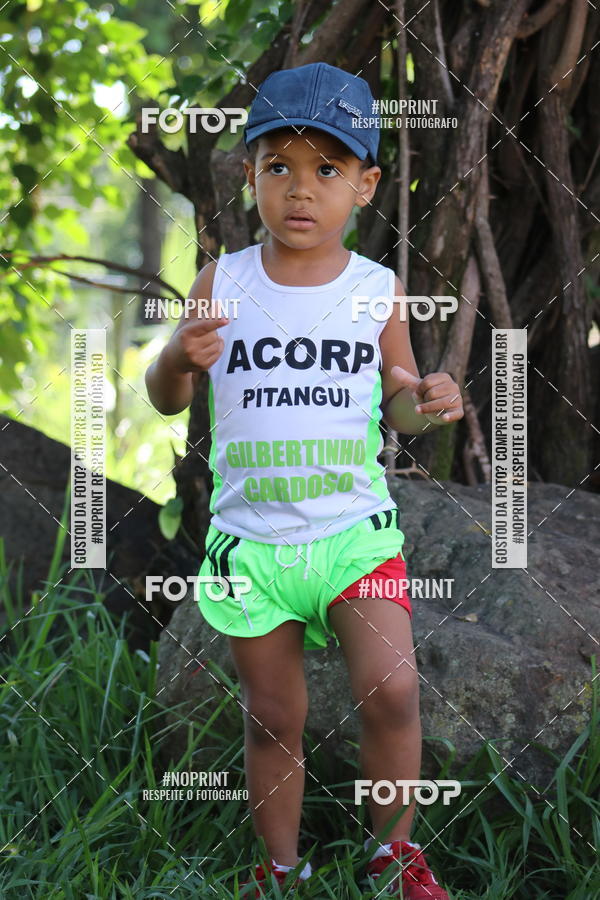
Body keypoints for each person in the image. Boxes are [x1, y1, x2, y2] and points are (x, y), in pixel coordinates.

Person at [145, 61, 463, 899]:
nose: (300, 189)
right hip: (251, 545)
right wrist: (176, 358)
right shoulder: (224, 281)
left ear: (366, 186)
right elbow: (168, 398)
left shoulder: (375, 290)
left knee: (393, 690)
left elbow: (399, 404)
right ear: (249, 174)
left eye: (327, 169)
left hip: (354, 535)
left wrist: (428, 401)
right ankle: (280, 868)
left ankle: (393, 856)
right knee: (273, 716)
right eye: (277, 166)